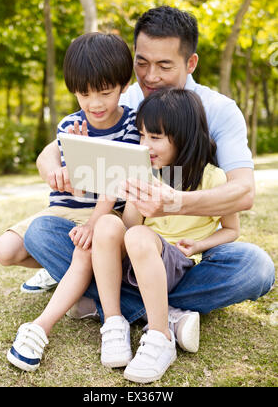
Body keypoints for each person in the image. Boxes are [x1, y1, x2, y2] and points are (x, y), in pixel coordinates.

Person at [15, 7, 275, 347]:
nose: (150, 76)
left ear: (190, 63)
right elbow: (57, 146)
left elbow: (243, 192)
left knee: (255, 267)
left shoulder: (219, 110)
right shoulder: (123, 95)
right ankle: (164, 315)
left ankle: (107, 302)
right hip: (126, 244)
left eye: (164, 65)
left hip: (180, 255)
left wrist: (176, 203)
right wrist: (51, 166)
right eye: (142, 63)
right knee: (41, 234)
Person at [5, 32, 141, 371]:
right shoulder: (71, 125)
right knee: (5, 251)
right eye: (84, 93)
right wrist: (68, 170)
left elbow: (118, 184)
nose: (94, 103)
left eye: (105, 92)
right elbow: (75, 191)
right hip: (71, 210)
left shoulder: (133, 124)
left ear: (124, 85)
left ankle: (42, 327)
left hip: (109, 214)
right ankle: (61, 274)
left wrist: (95, 222)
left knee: (85, 248)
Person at [92, 88, 240, 383]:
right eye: (142, 135)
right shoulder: (151, 173)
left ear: (183, 136)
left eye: (155, 137)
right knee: (107, 225)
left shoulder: (213, 178)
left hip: (173, 262)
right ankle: (113, 322)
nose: (145, 144)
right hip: (137, 260)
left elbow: (232, 229)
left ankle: (161, 336)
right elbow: (132, 225)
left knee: (137, 237)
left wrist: (199, 244)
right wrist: (132, 192)